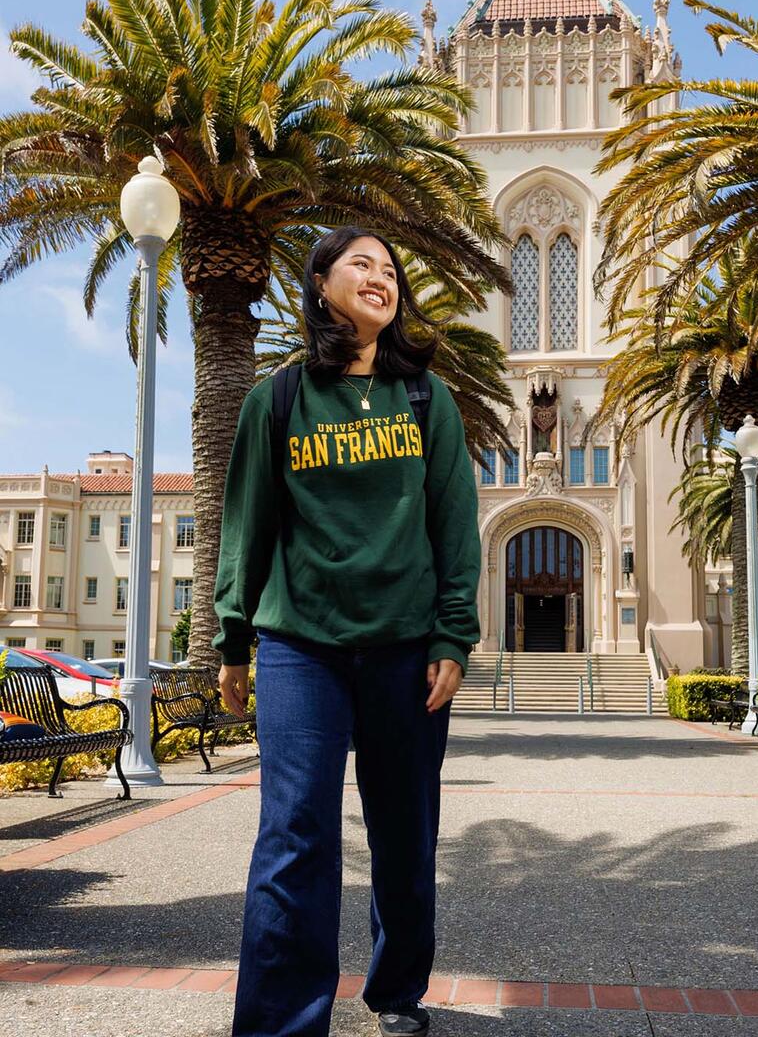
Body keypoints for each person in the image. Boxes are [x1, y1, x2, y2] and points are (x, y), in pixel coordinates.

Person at [214, 225, 481, 1037]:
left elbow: (455, 524)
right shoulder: (280, 398)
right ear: (322, 284)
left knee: (405, 836)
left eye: (391, 269)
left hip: (404, 651)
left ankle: (397, 990)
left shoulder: (426, 398)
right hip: (301, 647)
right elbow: (247, 523)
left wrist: (451, 639)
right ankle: (279, 1025)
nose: (381, 276)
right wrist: (234, 640)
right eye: (360, 264)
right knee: (295, 834)